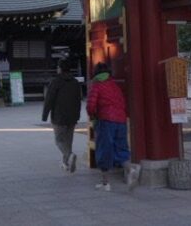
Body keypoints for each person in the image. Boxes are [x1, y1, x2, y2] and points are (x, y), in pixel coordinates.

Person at [85, 62, 137, 191]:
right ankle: (130, 169)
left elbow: (91, 105)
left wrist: (92, 116)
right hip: (121, 120)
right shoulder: (115, 85)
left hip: (105, 120)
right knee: (121, 147)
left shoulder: (96, 85)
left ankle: (105, 182)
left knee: (104, 150)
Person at [42, 58, 83, 173]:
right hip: (72, 116)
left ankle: (69, 156)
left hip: (59, 116)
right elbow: (78, 100)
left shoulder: (55, 82)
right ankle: (66, 164)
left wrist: (45, 115)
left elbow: (49, 99)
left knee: (59, 140)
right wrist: (78, 115)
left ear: (59, 68)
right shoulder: (75, 82)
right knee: (68, 141)